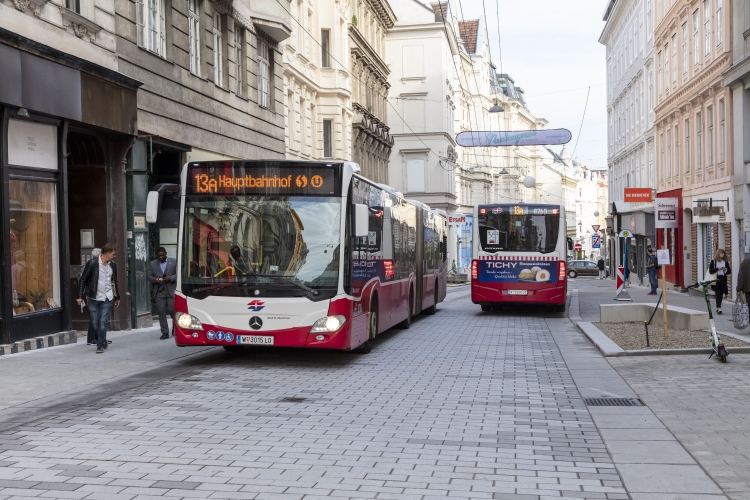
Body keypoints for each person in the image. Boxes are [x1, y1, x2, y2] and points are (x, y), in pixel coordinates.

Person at [77, 243, 120, 354]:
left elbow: (115, 281)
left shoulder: (112, 265)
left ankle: (100, 345)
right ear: (107, 253)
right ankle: (102, 338)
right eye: (113, 254)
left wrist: (117, 297)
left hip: (107, 297)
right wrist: (79, 296)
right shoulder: (92, 264)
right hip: (94, 297)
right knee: (95, 323)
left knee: (103, 322)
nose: (114, 256)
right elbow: (82, 280)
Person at [148, 247, 177, 340]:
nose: (160, 257)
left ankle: (175, 329)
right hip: (159, 291)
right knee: (161, 313)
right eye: (159, 256)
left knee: (172, 310)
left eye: (162, 255)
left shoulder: (174, 262)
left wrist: (171, 278)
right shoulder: (153, 263)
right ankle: (165, 332)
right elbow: (149, 276)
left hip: (171, 290)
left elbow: (179, 274)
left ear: (166, 253)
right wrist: (154, 279)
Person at [79, 248, 102, 345]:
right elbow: (83, 281)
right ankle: (92, 338)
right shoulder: (91, 266)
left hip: (96, 294)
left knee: (99, 316)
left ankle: (98, 338)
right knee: (94, 316)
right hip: (92, 295)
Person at [709, 248, 731, 315]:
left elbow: (729, 271)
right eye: (721, 253)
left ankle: (718, 307)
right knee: (718, 294)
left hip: (723, 280)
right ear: (718, 254)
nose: (723, 254)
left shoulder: (725, 262)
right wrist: (717, 269)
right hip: (716, 280)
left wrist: (725, 269)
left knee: (721, 294)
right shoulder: (714, 262)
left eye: (723, 253)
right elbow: (710, 271)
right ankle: (719, 308)